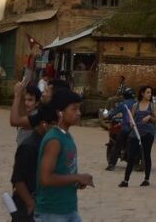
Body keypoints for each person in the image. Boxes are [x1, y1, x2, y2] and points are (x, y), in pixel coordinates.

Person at [36, 89, 93, 222]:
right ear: (60, 112)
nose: (78, 113)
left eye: (79, 109)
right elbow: (46, 178)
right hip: (53, 211)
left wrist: (77, 181)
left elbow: (64, 172)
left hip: (68, 208)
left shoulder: (66, 136)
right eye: (74, 109)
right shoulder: (54, 140)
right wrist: (77, 177)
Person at [9, 103, 56, 221]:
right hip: (27, 204)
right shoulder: (28, 146)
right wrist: (30, 203)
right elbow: (17, 180)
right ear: (45, 124)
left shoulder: (46, 143)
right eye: (55, 126)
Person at [119, 85, 156, 187]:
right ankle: (126, 180)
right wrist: (131, 123)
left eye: (150, 93)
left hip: (148, 133)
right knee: (131, 156)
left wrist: (149, 117)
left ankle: (146, 179)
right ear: (142, 93)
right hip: (136, 133)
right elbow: (130, 118)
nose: (150, 95)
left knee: (146, 155)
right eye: (147, 92)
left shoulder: (152, 106)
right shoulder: (136, 105)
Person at [105, 87, 136, 170]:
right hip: (138, 129)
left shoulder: (123, 104)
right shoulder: (138, 103)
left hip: (127, 128)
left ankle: (111, 164)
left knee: (117, 145)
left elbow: (113, 112)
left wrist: (109, 116)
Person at [10, 81, 44, 146]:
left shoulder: (37, 116)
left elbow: (16, 121)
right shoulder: (22, 113)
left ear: (37, 103)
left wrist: (18, 96)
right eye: (24, 99)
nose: (26, 103)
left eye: (30, 100)